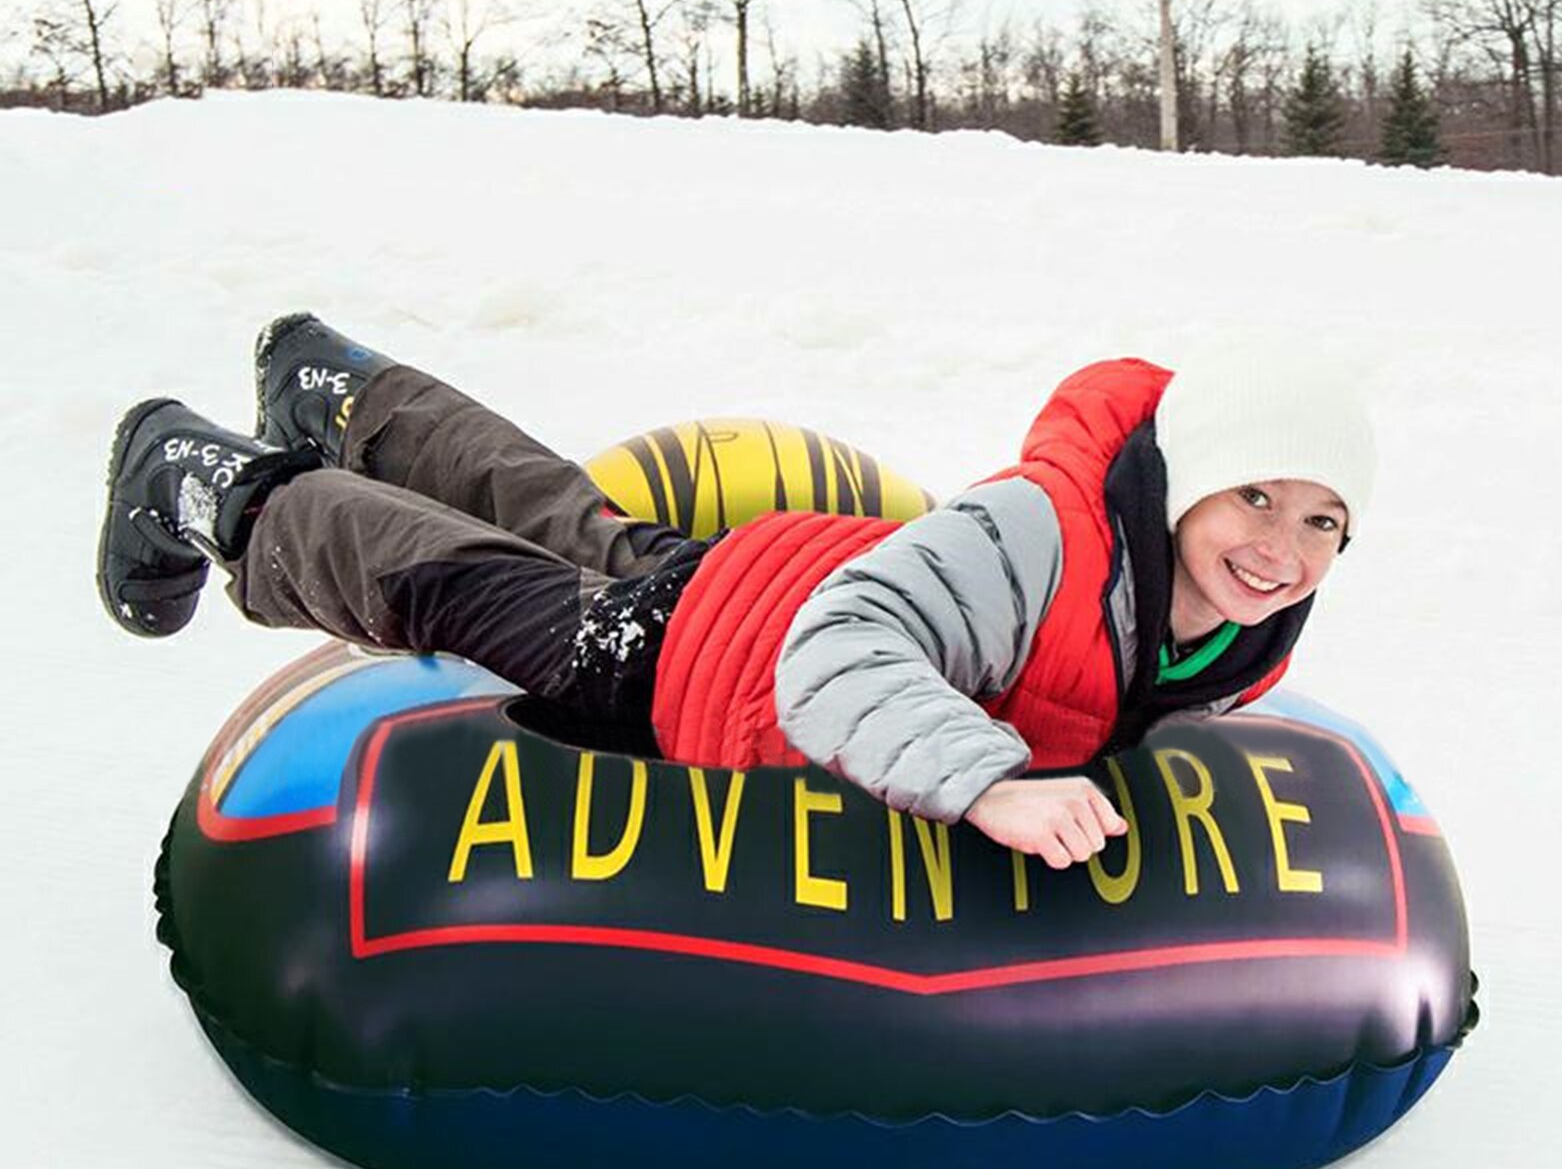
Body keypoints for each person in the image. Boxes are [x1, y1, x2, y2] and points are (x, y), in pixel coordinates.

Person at [96, 315, 1376, 870]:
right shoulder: (1045, 531)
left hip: (756, 574)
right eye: (1252, 498)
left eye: (1321, 520)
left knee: (574, 523)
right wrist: (982, 779)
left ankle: (341, 391)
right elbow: (838, 651)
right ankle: (203, 483)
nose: (1280, 549)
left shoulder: (1232, 638)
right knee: (454, 584)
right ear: (1181, 485)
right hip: (702, 663)